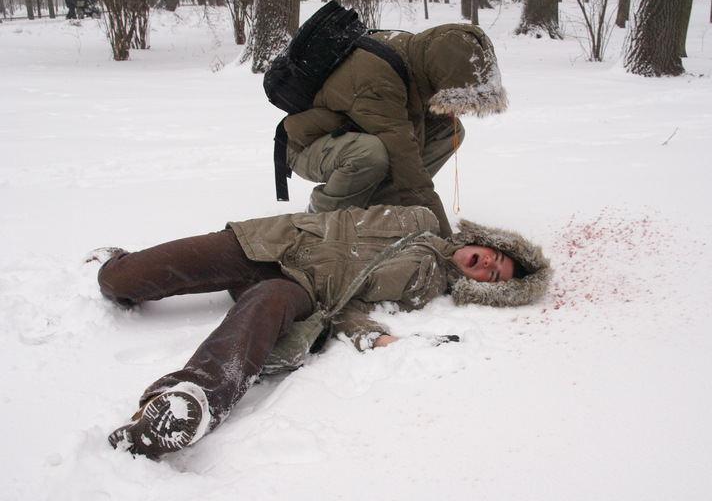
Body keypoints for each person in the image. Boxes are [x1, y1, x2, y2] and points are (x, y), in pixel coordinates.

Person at [99, 205, 551, 460]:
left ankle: (192, 401)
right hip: (270, 241)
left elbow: (350, 308)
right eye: (494, 257)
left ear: (482, 287)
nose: (487, 265)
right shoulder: (420, 216)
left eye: (493, 276)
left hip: (298, 288)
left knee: (268, 301)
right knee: (121, 281)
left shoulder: (426, 286)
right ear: (486, 242)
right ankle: (115, 263)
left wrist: (376, 338)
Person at [283, 24, 509, 239]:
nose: (462, 110)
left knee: (449, 130)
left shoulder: (416, 59)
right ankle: (321, 217)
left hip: (349, 135)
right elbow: (408, 166)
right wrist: (445, 241)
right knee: (370, 153)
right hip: (305, 145)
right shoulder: (379, 80)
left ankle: (375, 208)